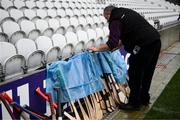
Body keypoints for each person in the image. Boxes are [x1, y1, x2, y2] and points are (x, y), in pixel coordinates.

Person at [88, 5, 161, 110]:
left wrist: (97, 49)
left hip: (144, 44)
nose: (107, 21)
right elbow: (125, 37)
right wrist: (114, 48)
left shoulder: (115, 19)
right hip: (155, 40)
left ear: (109, 14)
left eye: (106, 18)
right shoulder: (126, 12)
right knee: (148, 72)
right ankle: (144, 98)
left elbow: (112, 43)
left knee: (135, 73)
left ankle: (134, 103)